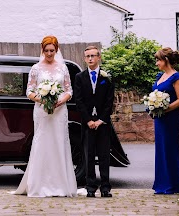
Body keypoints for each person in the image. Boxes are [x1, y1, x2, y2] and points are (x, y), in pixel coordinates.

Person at [10, 35, 77, 197]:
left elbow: (69, 90)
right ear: (42, 50)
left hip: (59, 111)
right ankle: (39, 184)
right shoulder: (36, 68)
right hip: (42, 111)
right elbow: (29, 91)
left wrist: (59, 102)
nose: (49, 54)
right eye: (46, 51)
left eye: (52, 51)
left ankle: (61, 185)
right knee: (42, 143)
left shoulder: (63, 68)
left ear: (56, 50)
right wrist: (43, 100)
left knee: (59, 143)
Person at [74, 46, 114, 198]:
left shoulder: (107, 77)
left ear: (99, 57)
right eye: (87, 56)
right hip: (87, 123)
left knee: (104, 156)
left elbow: (109, 101)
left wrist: (101, 120)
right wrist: (89, 120)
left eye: (93, 56)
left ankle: (105, 187)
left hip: (103, 124)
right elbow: (79, 101)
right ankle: (90, 186)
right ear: (84, 59)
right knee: (89, 155)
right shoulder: (79, 77)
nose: (90, 58)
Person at [152, 47, 179, 194]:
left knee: (170, 149)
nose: (156, 63)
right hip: (159, 119)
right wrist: (153, 105)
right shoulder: (160, 76)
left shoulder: (176, 77)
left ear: (165, 60)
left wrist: (166, 109)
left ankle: (174, 185)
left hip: (170, 118)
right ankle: (162, 184)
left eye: (158, 60)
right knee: (161, 150)